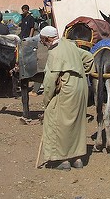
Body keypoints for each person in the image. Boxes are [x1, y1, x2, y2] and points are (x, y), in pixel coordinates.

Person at [38, 25, 94, 170]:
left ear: (47, 38)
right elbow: (89, 58)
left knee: (56, 120)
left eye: (42, 40)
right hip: (81, 87)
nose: (43, 43)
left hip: (67, 89)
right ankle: (77, 158)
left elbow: (50, 81)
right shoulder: (70, 45)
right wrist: (81, 72)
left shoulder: (55, 53)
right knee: (76, 122)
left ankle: (63, 160)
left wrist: (46, 100)